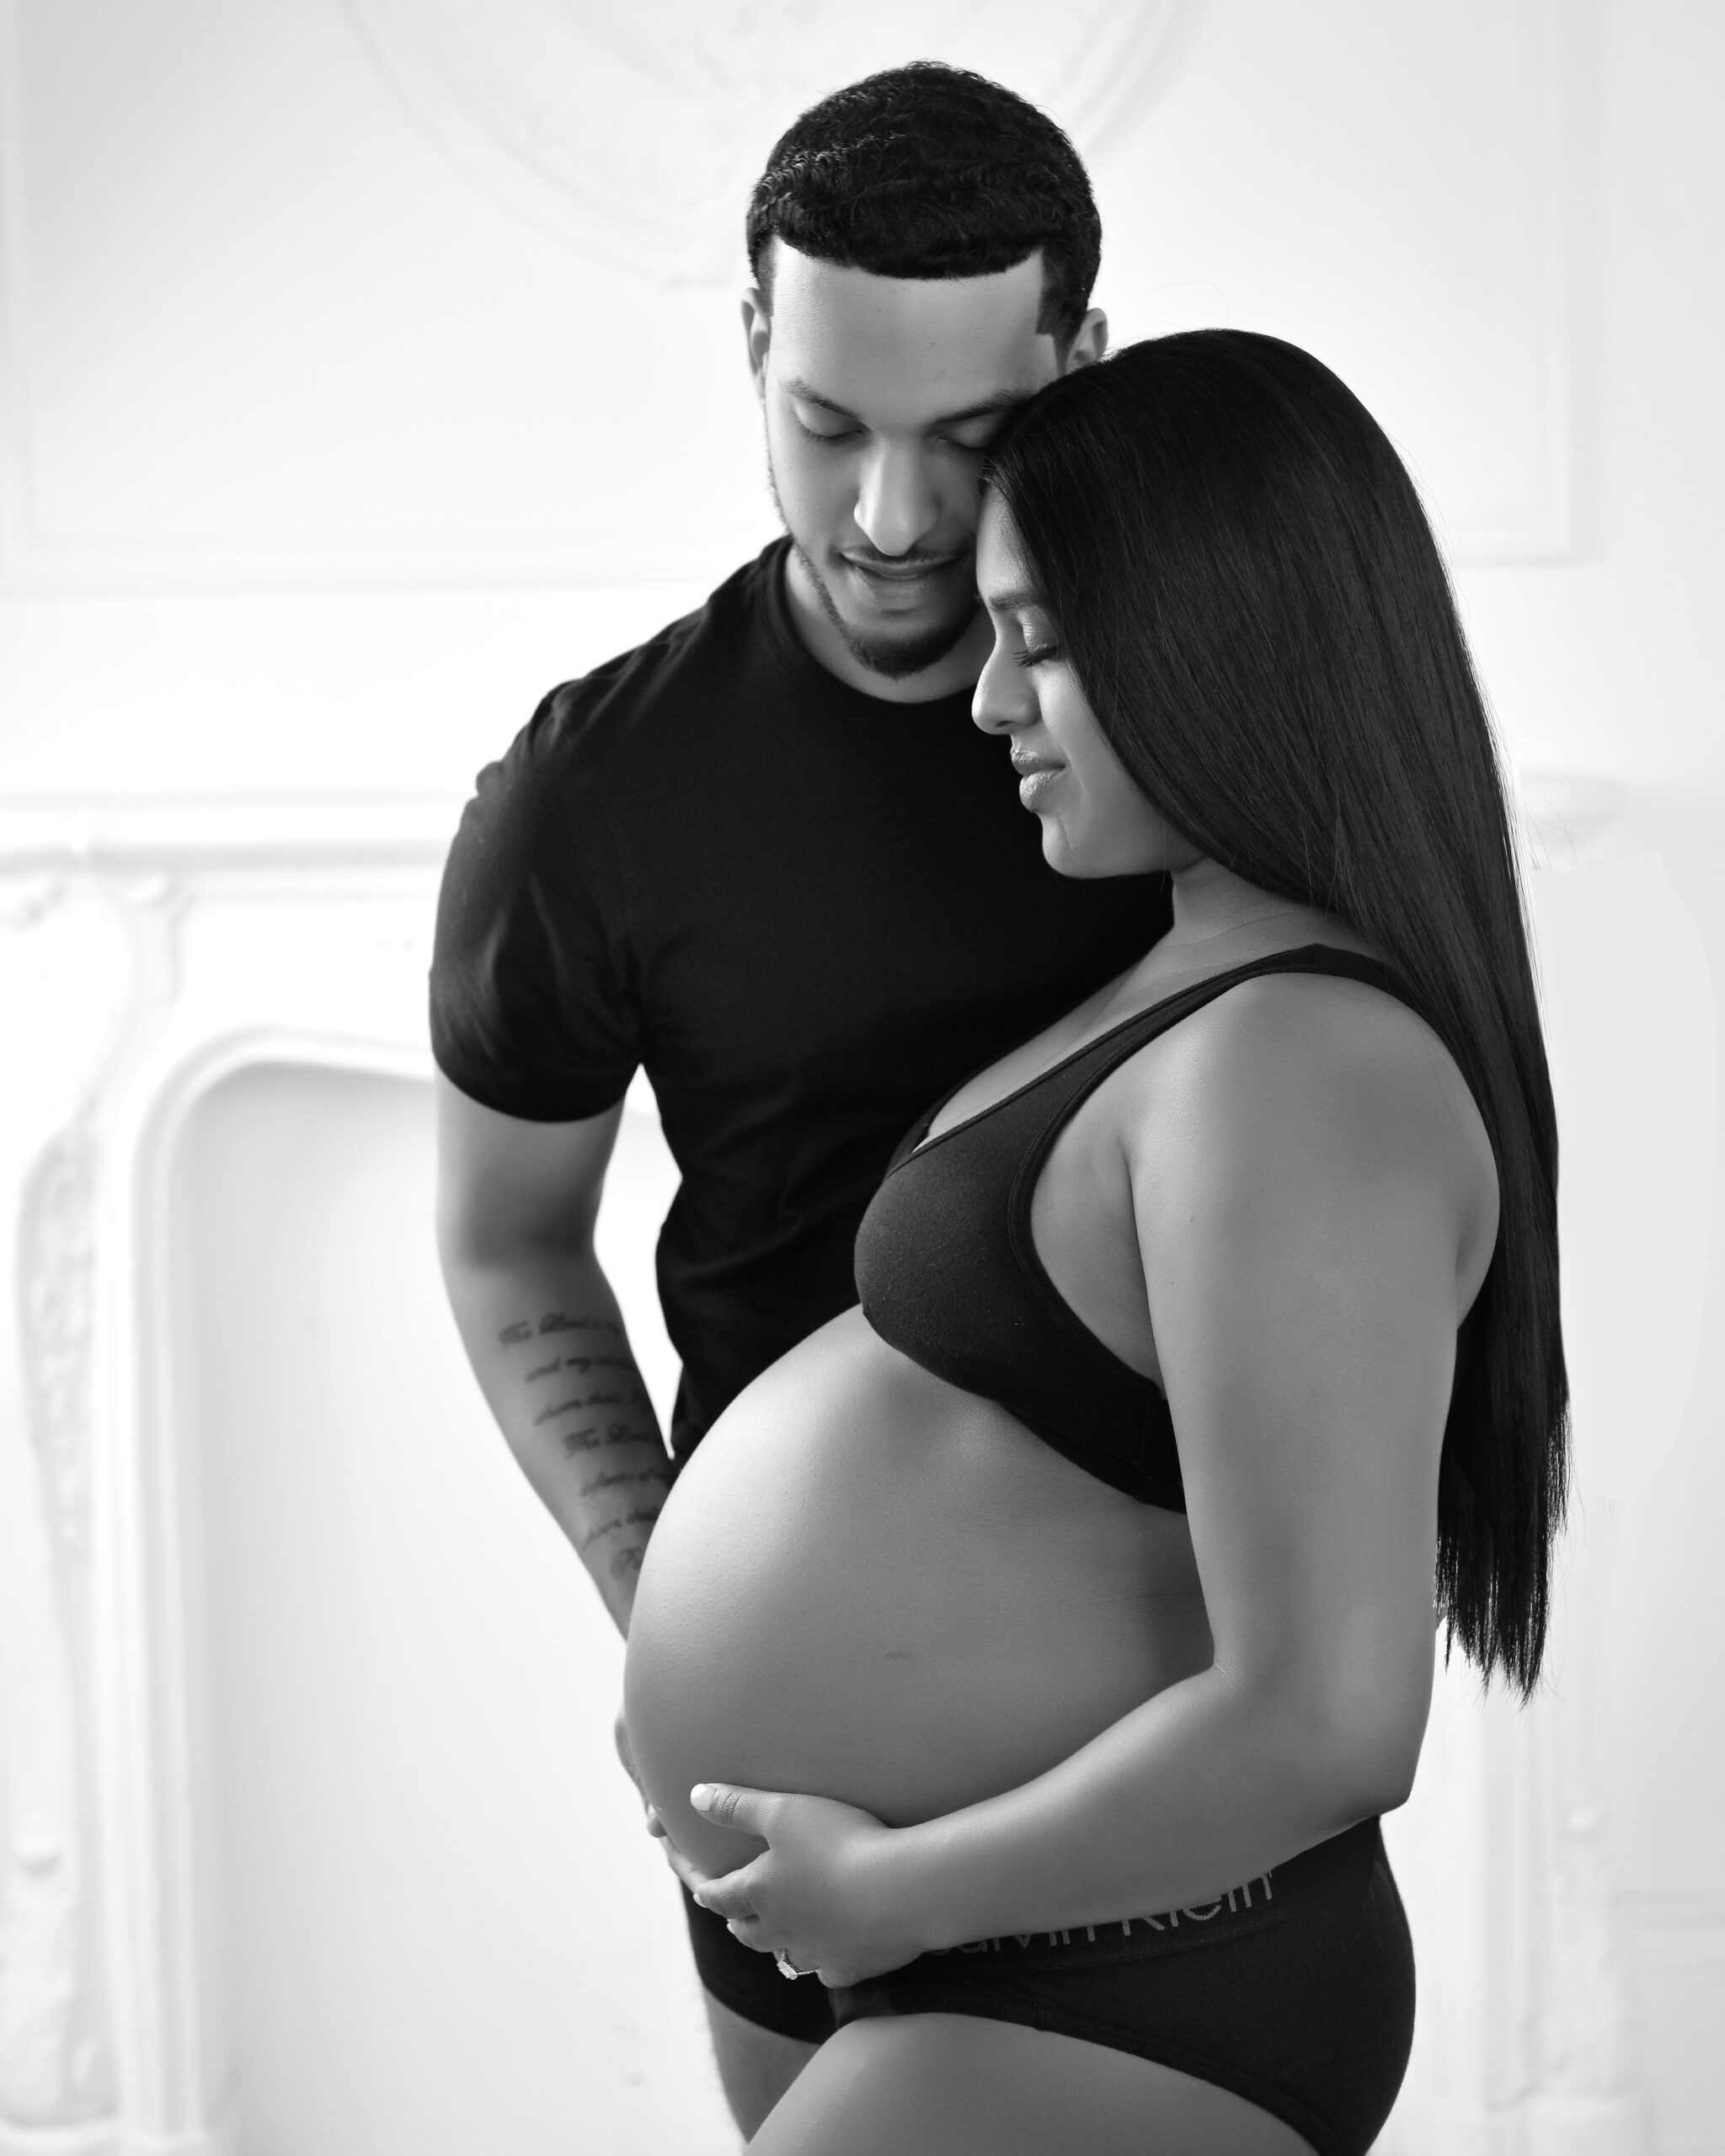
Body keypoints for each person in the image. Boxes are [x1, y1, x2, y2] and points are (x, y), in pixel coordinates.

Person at [621, 330, 1571, 2156]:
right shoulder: (1178, 978)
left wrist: (894, 1891)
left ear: (1224, 637)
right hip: (916, 1931)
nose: (988, 701)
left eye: (1042, 640)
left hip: (1104, 1976)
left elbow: (1324, 1715)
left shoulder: (1302, 1062)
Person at [430, 63, 1164, 2137]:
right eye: (828, 425)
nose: (893, 519)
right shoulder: (594, 793)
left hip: (1163, 1707)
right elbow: (504, 1241)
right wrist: (672, 1604)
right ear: (752, 343)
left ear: (1080, 365)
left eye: (973, 438)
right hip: (786, 1747)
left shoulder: (1194, 738)